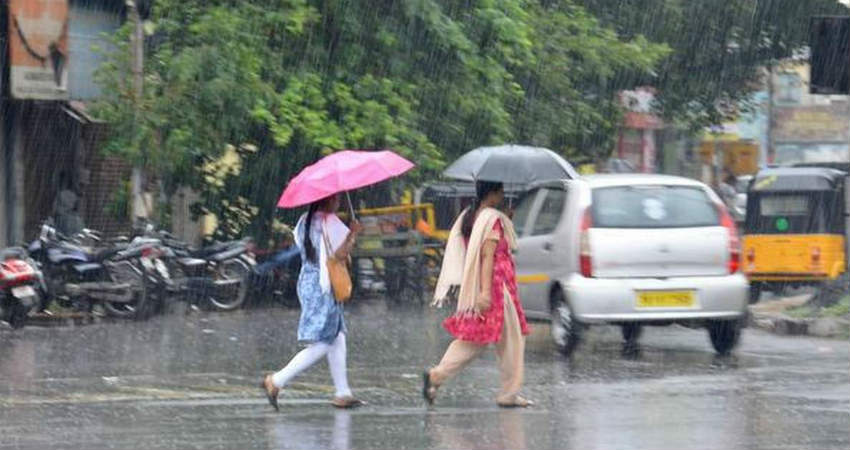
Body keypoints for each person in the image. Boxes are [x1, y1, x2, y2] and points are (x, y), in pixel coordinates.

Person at [423, 180, 533, 408]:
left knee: (475, 338)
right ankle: (508, 393)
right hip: (496, 288)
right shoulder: (492, 219)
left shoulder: (470, 216)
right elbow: (488, 256)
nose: (503, 195)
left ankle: (436, 375)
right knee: (511, 339)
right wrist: (485, 293)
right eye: (500, 191)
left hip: (484, 286)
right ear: (492, 194)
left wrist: (506, 221)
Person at [261, 193, 364, 410]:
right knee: (323, 342)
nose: (339, 202)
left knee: (337, 336)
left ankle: (343, 392)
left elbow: (311, 251)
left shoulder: (304, 222)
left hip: (308, 283)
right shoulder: (331, 223)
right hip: (325, 286)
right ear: (329, 201)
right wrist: (352, 234)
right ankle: (277, 380)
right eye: (336, 199)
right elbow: (339, 255)